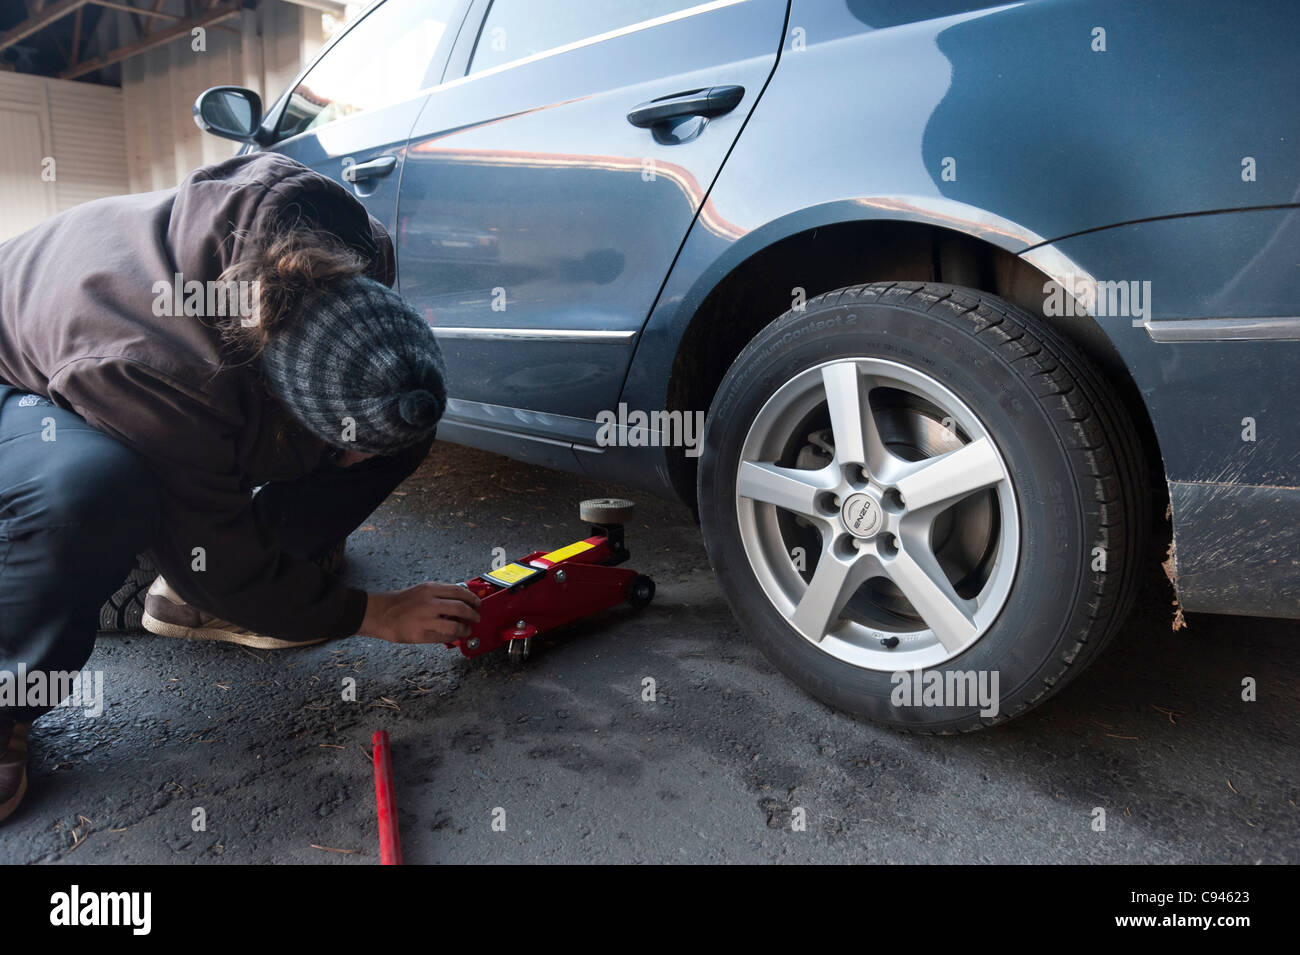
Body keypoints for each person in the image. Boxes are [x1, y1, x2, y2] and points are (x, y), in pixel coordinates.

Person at [0, 152, 482, 823]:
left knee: (404, 419)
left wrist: (355, 438)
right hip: (20, 372)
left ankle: (212, 597)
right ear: (276, 390)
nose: (345, 460)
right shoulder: (157, 373)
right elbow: (217, 561)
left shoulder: (351, 242)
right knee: (96, 489)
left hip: (174, 356)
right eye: (332, 440)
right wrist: (376, 613)